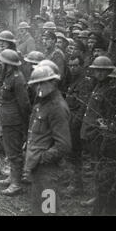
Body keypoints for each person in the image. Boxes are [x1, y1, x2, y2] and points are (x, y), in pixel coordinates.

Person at [25, 65, 71, 215]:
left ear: (53, 83)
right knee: (38, 209)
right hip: (38, 167)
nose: (38, 87)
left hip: (48, 170)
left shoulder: (57, 107)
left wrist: (42, 158)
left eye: (42, 83)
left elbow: (63, 145)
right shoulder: (41, 103)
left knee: (48, 210)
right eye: (36, 84)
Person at [80, 56, 116, 207]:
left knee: (100, 167)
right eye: (97, 71)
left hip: (99, 135)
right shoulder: (97, 86)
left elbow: (107, 115)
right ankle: (98, 195)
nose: (100, 74)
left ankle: (100, 197)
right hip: (90, 132)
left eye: (103, 71)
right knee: (95, 165)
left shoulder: (110, 90)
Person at [0, 49, 31, 196]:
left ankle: (16, 183)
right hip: (6, 118)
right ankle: (12, 177)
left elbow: (24, 104)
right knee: (9, 150)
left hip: (14, 120)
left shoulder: (18, 79)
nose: (1, 64)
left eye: (3, 62)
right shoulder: (9, 76)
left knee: (15, 152)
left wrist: (23, 123)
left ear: (8, 64)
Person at [91, 65, 116, 215]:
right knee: (103, 184)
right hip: (109, 148)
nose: (115, 84)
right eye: (114, 80)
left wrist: (110, 128)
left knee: (113, 188)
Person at [65, 55, 95, 195]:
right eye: (70, 65)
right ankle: (72, 180)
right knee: (69, 153)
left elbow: (83, 107)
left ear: (82, 66)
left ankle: (76, 185)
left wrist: (75, 125)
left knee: (74, 155)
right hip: (69, 120)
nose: (72, 68)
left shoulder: (85, 83)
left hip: (76, 123)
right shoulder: (73, 80)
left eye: (75, 65)